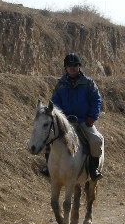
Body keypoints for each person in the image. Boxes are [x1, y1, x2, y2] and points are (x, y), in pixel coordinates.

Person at [42, 52, 104, 180]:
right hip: (65, 122)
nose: (72, 68)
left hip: (84, 121)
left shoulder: (89, 83)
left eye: (75, 65)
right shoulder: (60, 84)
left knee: (96, 141)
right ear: (65, 68)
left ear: (79, 67)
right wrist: (59, 117)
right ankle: (48, 167)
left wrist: (92, 117)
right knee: (49, 139)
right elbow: (55, 101)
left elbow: (96, 100)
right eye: (69, 66)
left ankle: (93, 169)